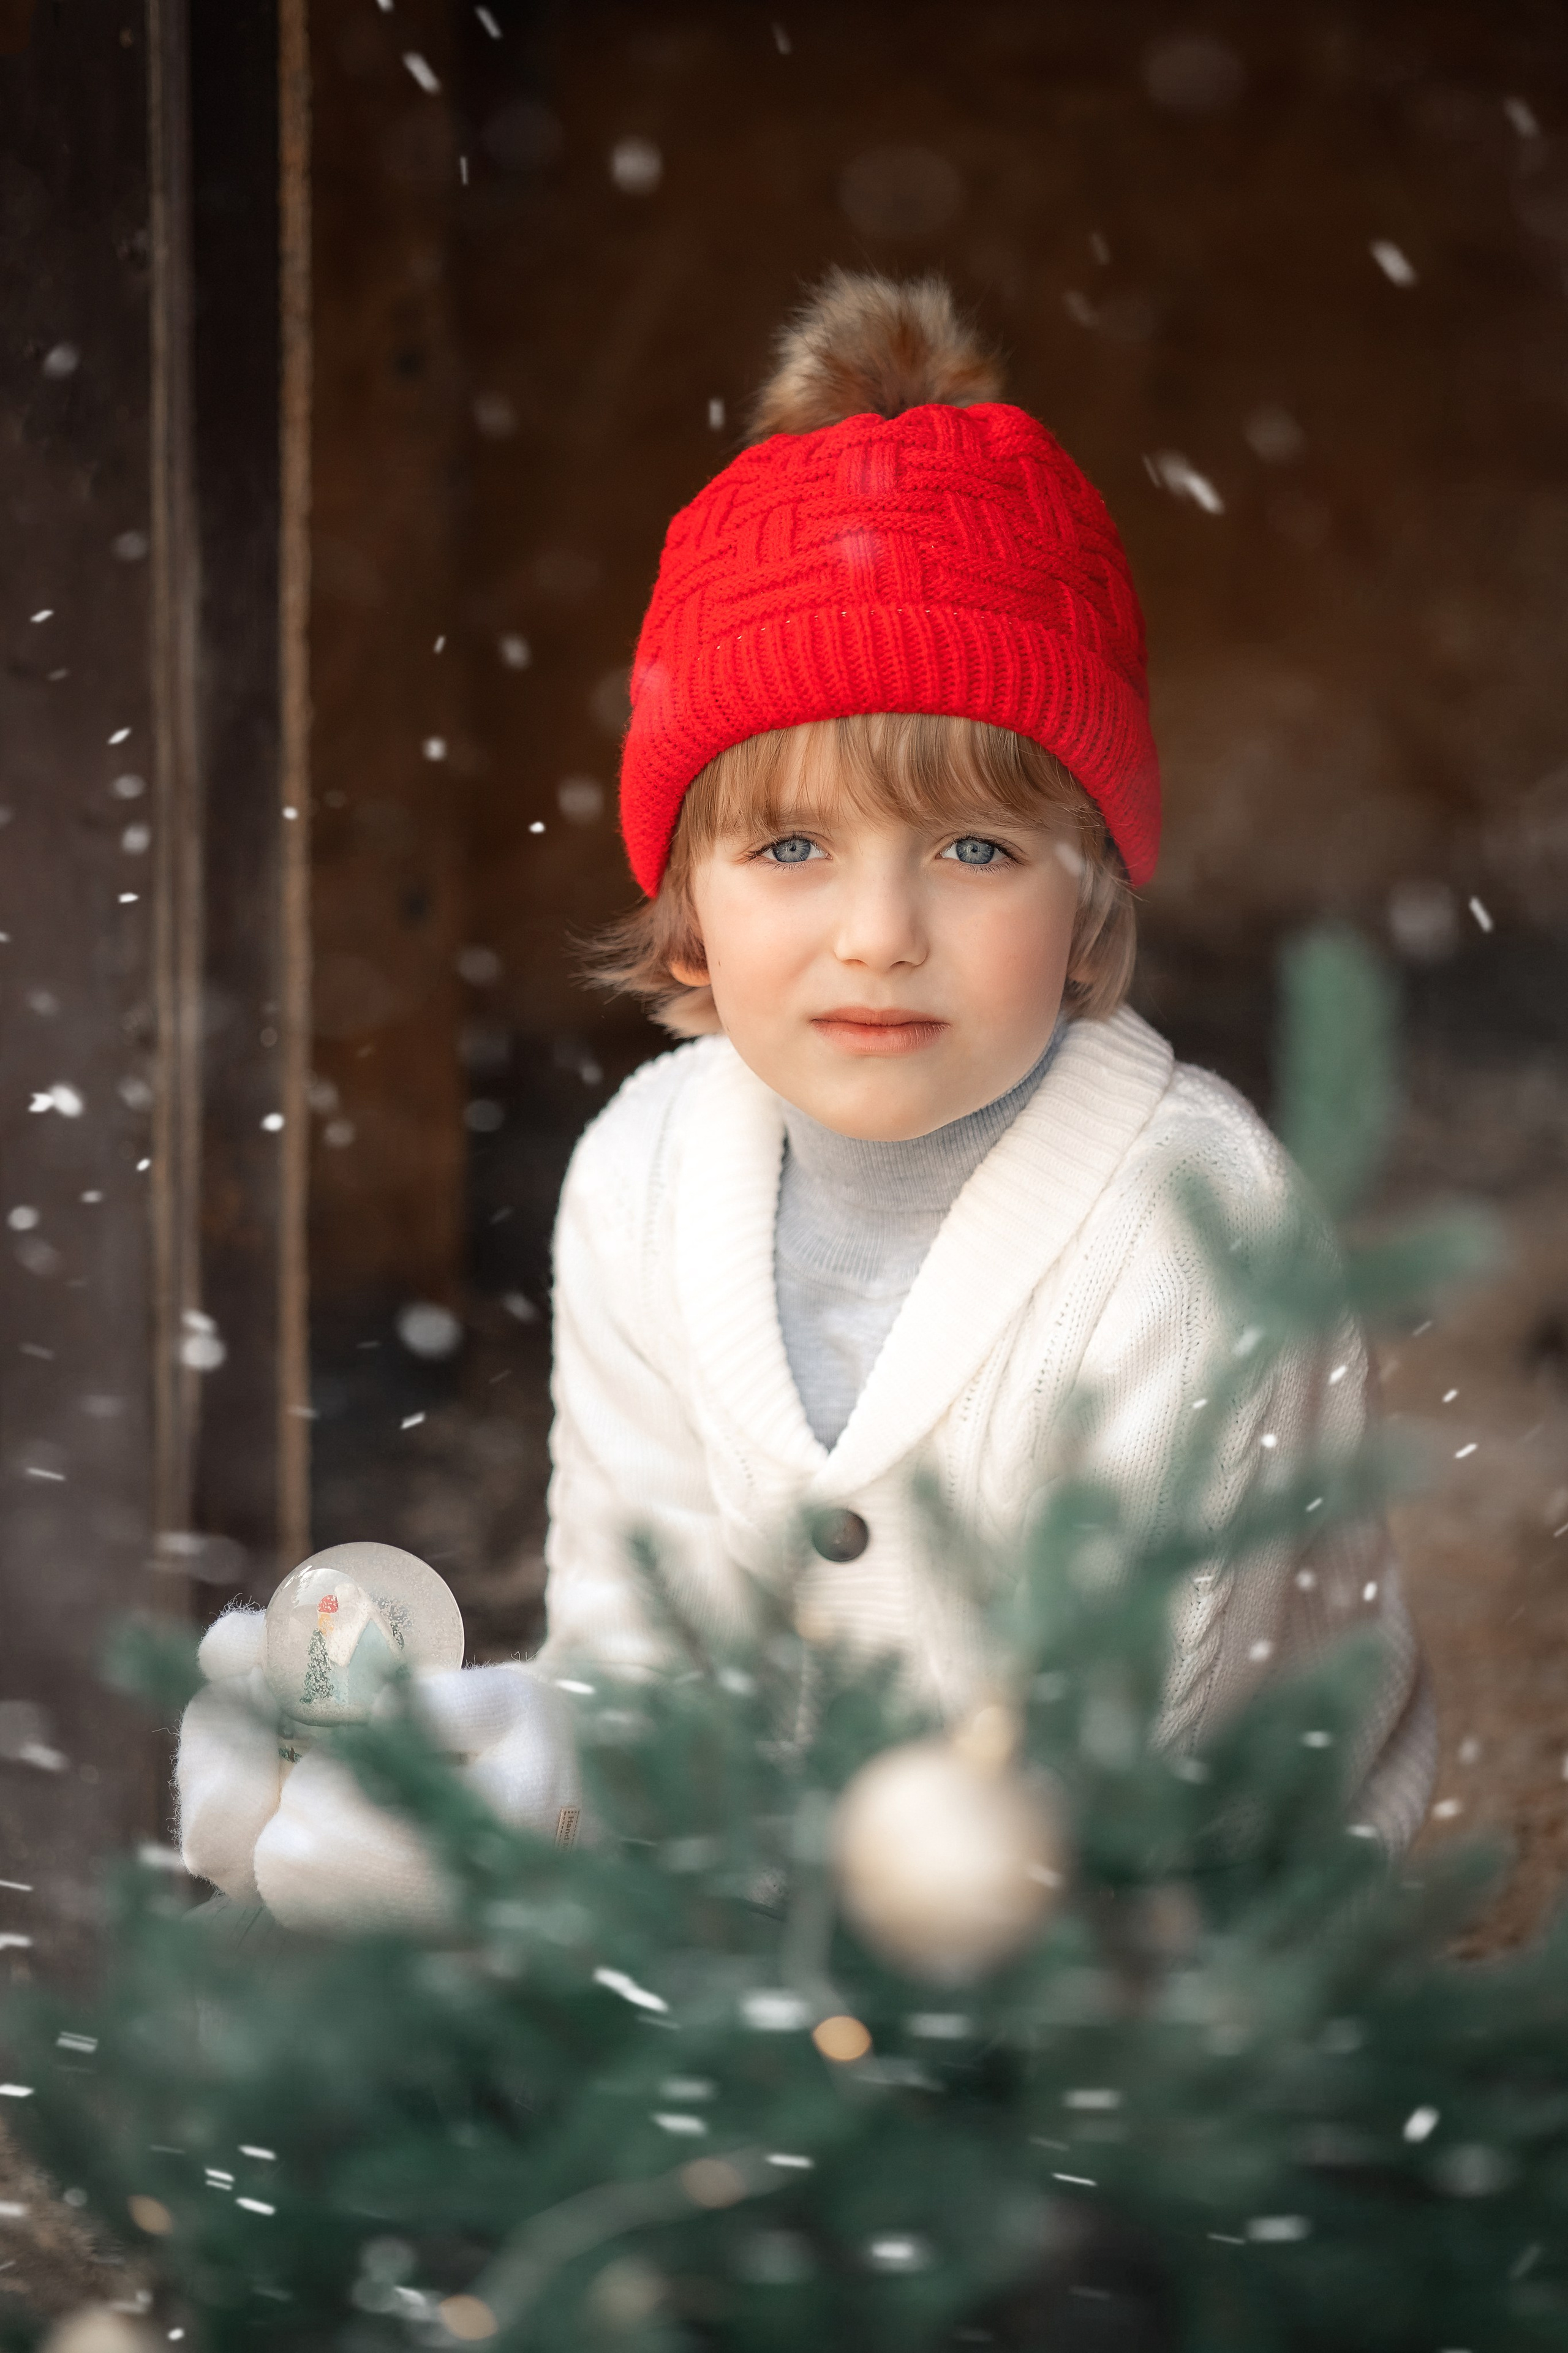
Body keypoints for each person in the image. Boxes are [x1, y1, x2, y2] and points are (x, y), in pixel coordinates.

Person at [176, 271, 1432, 1921]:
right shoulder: (644, 1170)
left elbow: (1105, 1777)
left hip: (1161, 1957)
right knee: (322, 1913)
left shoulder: (1186, 1231)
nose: (880, 934)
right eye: (789, 847)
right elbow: (647, 1646)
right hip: (771, 1902)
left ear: (1092, 900)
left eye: (976, 848)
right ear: (689, 897)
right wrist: (481, 1769)